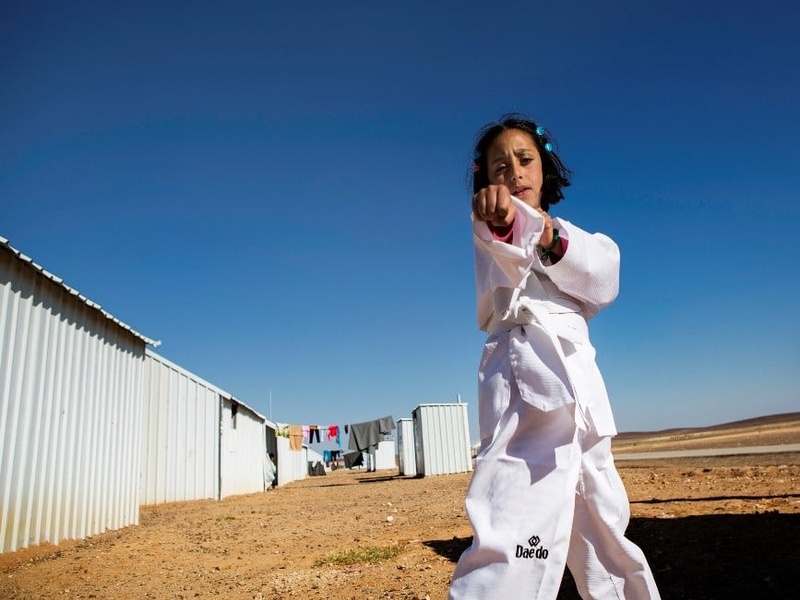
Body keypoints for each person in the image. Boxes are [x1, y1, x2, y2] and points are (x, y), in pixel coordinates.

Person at [448, 115, 661, 599]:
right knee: (514, 532)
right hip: (523, 389)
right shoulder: (489, 223)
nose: (514, 173)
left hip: (581, 395)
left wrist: (549, 236)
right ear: (485, 181)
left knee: (603, 529)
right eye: (499, 167)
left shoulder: (577, 239)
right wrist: (501, 217)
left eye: (525, 160)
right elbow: (502, 233)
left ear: (544, 169)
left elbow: (605, 279)